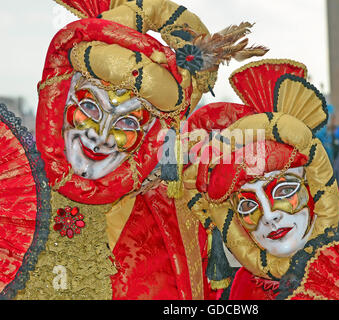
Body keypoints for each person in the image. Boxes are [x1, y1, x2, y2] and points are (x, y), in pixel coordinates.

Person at [2, 0, 267, 300]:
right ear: (62, 97)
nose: (101, 137)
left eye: (126, 123)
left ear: (150, 134)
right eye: (89, 107)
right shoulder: (14, 195)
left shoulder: (178, 207)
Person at [182, 59, 339, 300]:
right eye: (248, 206)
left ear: (315, 187)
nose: (269, 215)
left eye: (284, 191)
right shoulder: (246, 288)